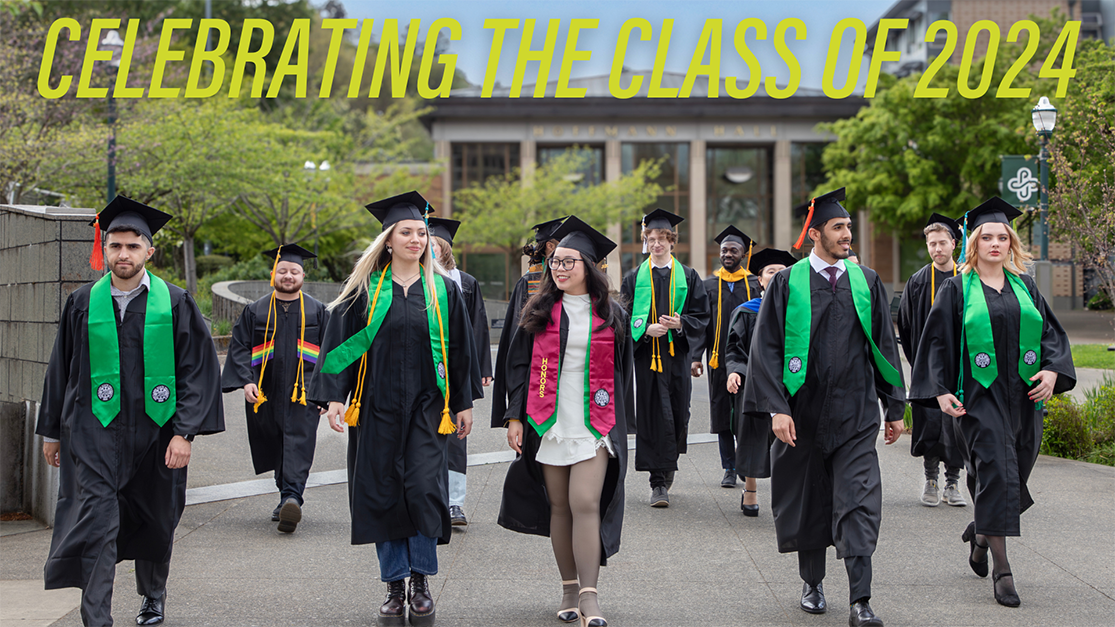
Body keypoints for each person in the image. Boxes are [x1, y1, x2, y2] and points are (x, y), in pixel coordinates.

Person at [37, 196, 224, 627]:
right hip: (93, 432)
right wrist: (52, 432)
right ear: (105, 249)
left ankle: (153, 594)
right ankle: (96, 618)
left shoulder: (174, 303)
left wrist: (184, 433)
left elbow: (197, 372)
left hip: (157, 434)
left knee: (156, 519)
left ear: (149, 251)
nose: (123, 254)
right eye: (116, 245)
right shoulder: (83, 302)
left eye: (133, 246)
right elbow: (60, 368)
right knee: (97, 524)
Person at [309, 191, 478, 627]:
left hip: (428, 407)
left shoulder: (442, 290)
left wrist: (462, 403)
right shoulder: (365, 290)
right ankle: (393, 585)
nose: (416, 239)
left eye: (421, 233)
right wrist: (334, 396)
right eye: (406, 232)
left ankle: (420, 581)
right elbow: (341, 346)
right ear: (388, 239)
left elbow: (460, 350)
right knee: (382, 491)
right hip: (375, 405)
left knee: (423, 488)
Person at [741, 188, 906, 627]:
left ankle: (860, 600)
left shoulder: (865, 280)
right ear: (815, 234)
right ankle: (812, 583)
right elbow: (766, 349)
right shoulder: (787, 283)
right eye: (838, 227)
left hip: (855, 413)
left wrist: (894, 405)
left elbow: (884, 346)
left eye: (848, 226)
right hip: (802, 414)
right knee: (808, 499)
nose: (847, 234)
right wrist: (777, 408)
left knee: (858, 501)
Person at [909, 198, 1075, 608]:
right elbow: (935, 342)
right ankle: (1003, 570)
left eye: (1003, 237)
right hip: (979, 399)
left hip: (1024, 399)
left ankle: (980, 535)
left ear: (1011, 243)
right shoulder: (956, 289)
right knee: (996, 472)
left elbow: (1051, 336)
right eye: (988, 237)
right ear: (975, 243)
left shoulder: (1025, 287)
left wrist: (1052, 371)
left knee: (1015, 474)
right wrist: (940, 389)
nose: (996, 244)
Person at [499, 216, 632, 627]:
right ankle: (569, 589)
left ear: (588, 267)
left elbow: (624, 372)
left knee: (584, 502)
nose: (559, 267)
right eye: (556, 261)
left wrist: (622, 424)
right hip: (548, 419)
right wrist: (514, 417)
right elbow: (517, 366)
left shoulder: (611, 314)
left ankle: (590, 597)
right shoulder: (538, 310)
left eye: (568, 261)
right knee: (559, 506)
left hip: (595, 419)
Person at [221, 243, 329, 533]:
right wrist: (246, 380)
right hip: (264, 392)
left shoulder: (318, 311)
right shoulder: (255, 310)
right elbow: (240, 348)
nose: (288, 276)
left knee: (299, 443)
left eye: (294, 271)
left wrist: (326, 394)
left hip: (304, 392)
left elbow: (330, 353)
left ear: (303, 275)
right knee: (276, 443)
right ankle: (285, 496)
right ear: (273, 274)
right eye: (282, 271)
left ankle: (292, 497)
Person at [620, 208, 709, 507]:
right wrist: (645, 329)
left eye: (662, 238)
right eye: (651, 239)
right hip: (648, 359)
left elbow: (702, 315)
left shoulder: (689, 277)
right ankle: (657, 482)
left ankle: (668, 464)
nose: (656, 244)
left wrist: (681, 324)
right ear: (646, 241)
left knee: (679, 414)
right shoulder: (634, 278)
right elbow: (623, 317)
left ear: (672, 241)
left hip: (676, 357)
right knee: (652, 415)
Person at [897, 214, 967, 508]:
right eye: (932, 244)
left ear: (954, 244)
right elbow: (905, 325)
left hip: (961, 368)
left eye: (942, 243)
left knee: (957, 424)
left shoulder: (967, 278)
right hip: (928, 367)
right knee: (929, 423)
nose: (937, 249)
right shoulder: (918, 281)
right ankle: (931, 478)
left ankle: (953, 482)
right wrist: (920, 362)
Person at [429, 216, 492, 527]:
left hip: (455, 368)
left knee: (456, 437)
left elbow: (478, 327)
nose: (429, 250)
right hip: (425, 367)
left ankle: (454, 503)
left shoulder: (464, 283)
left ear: (445, 249)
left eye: (435, 245)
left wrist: (482, 367)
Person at [725, 247, 798, 516]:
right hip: (753, 381)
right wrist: (735, 371)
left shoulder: (799, 311)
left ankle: (790, 493)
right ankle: (751, 489)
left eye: (782, 271)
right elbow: (734, 349)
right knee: (752, 434)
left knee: (791, 438)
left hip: (790, 383)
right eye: (771, 271)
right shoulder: (747, 312)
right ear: (760, 279)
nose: (777, 275)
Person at [690, 226, 761, 489]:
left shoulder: (754, 284)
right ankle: (729, 467)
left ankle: (745, 464)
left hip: (747, 360)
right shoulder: (709, 285)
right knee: (721, 414)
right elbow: (702, 324)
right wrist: (696, 356)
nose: (727, 254)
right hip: (717, 360)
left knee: (746, 412)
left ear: (744, 254)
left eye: (733, 250)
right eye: (724, 250)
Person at [491, 217, 566, 431]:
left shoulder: (573, 282)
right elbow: (516, 343)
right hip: (537, 376)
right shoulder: (528, 283)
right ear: (550, 247)